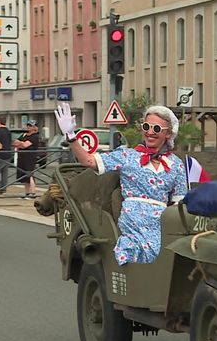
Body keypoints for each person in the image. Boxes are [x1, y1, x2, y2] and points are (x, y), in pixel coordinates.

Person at [54, 102, 187, 266]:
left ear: (168, 134)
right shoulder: (127, 156)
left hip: (161, 221)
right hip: (133, 219)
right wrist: (71, 136)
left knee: (169, 254)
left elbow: (179, 202)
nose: (150, 132)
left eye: (157, 129)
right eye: (147, 127)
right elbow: (89, 160)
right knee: (141, 251)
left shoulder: (176, 165)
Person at [12, 120, 40, 200]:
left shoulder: (34, 136)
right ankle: (27, 193)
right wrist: (21, 143)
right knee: (24, 176)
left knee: (30, 174)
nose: (28, 127)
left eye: (30, 126)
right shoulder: (24, 134)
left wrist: (20, 144)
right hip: (22, 157)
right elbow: (15, 142)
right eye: (28, 125)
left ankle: (33, 193)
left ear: (34, 127)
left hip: (30, 157)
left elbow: (25, 145)